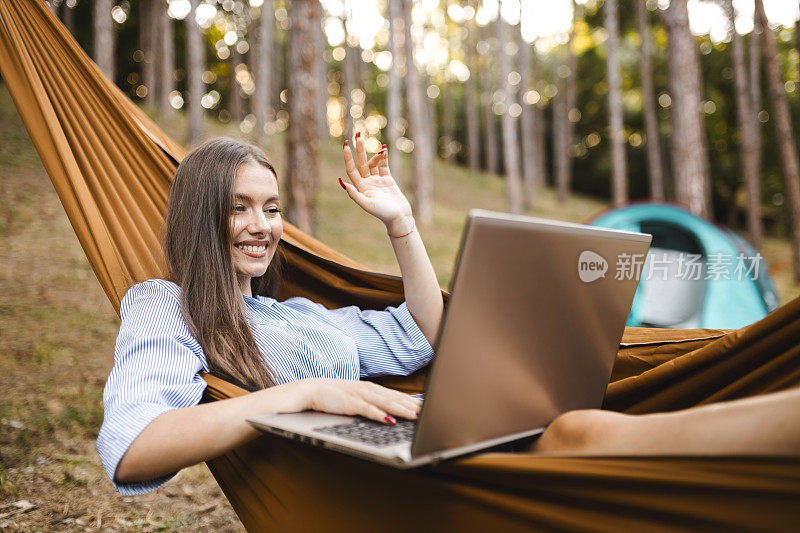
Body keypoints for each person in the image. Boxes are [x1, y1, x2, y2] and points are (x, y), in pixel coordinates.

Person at [97, 135, 444, 494]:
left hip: (399, 454)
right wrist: (305, 394)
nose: (262, 225)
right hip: (345, 492)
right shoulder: (166, 304)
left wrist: (401, 223)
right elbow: (130, 446)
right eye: (239, 208)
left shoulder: (300, 314)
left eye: (272, 209)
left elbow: (423, 332)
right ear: (199, 218)